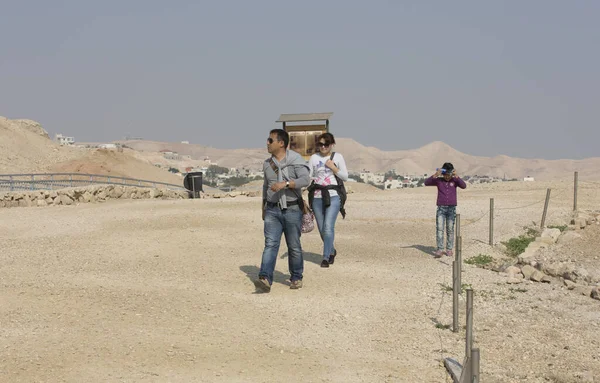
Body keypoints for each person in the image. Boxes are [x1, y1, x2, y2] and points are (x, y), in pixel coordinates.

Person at [255, 129, 311, 293]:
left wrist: (285, 184)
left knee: (293, 246)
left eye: (270, 140)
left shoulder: (295, 160)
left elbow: (305, 180)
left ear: (281, 143)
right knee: (270, 244)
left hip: (293, 209)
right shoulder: (267, 164)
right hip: (272, 210)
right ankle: (265, 277)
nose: (267, 143)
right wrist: (263, 207)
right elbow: (266, 186)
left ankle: (296, 277)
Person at [307, 133, 349, 268]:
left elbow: (345, 176)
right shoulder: (313, 158)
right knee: (321, 228)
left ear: (331, 145)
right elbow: (309, 176)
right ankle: (331, 250)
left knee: (328, 226)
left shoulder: (338, 157)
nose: (323, 147)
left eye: (326, 144)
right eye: (320, 144)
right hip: (317, 195)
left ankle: (325, 257)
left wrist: (333, 167)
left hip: (333, 195)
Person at [424, 162, 467, 258]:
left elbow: (464, 186)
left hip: (451, 209)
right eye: (445, 175)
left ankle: (449, 249)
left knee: (450, 229)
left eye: (449, 175)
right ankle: (439, 249)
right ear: (443, 174)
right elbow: (426, 183)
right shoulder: (438, 180)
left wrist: (456, 176)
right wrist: (436, 175)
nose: (447, 177)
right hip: (441, 209)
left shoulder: (455, 181)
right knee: (439, 229)